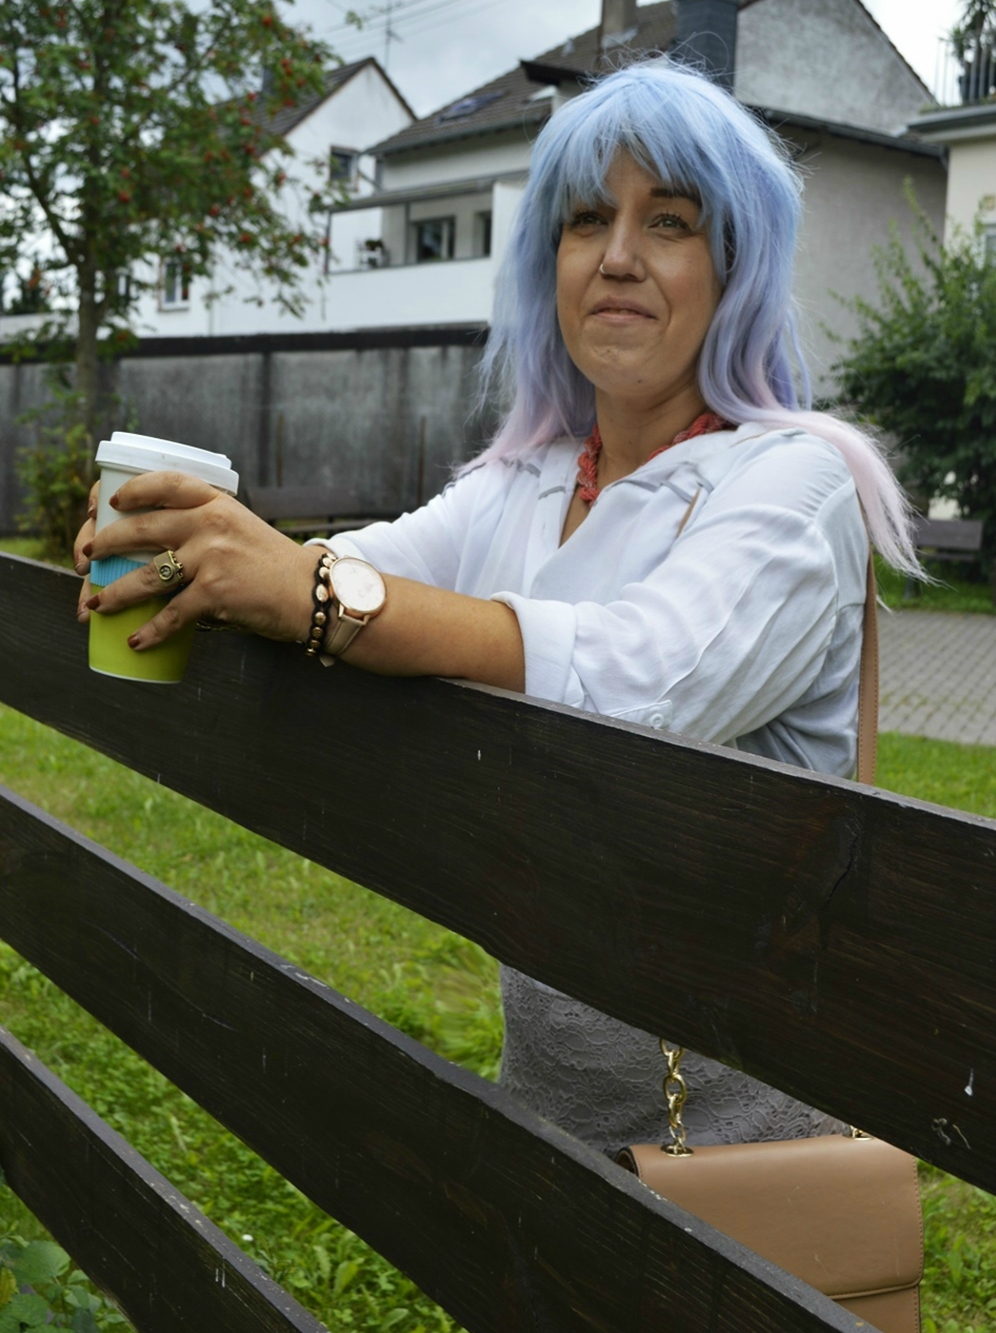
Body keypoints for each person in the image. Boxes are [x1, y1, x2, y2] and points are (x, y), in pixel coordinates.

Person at [74, 57, 919, 1156]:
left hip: (747, 1134)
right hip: (551, 1110)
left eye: (667, 220)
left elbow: (639, 685)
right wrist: (198, 551)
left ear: (735, 266)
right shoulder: (529, 477)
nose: (616, 256)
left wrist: (314, 591)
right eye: (581, 221)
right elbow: (355, 566)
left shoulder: (794, 484)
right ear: (546, 265)